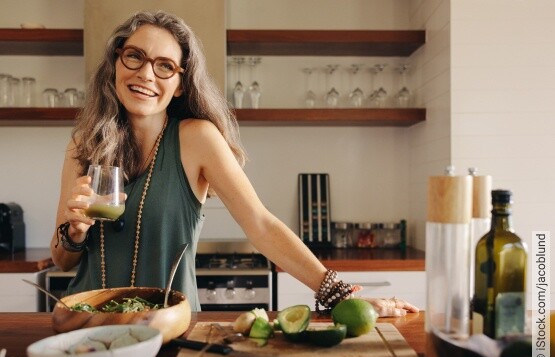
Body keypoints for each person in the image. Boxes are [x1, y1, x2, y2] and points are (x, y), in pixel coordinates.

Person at [50, 10, 418, 317]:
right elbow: (62, 259)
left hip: (168, 327)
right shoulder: (83, 144)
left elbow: (261, 225)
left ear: (180, 84)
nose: (146, 74)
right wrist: (74, 232)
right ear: (116, 61)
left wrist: (339, 294)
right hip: (85, 326)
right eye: (135, 56)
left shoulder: (197, 139)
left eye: (165, 66)